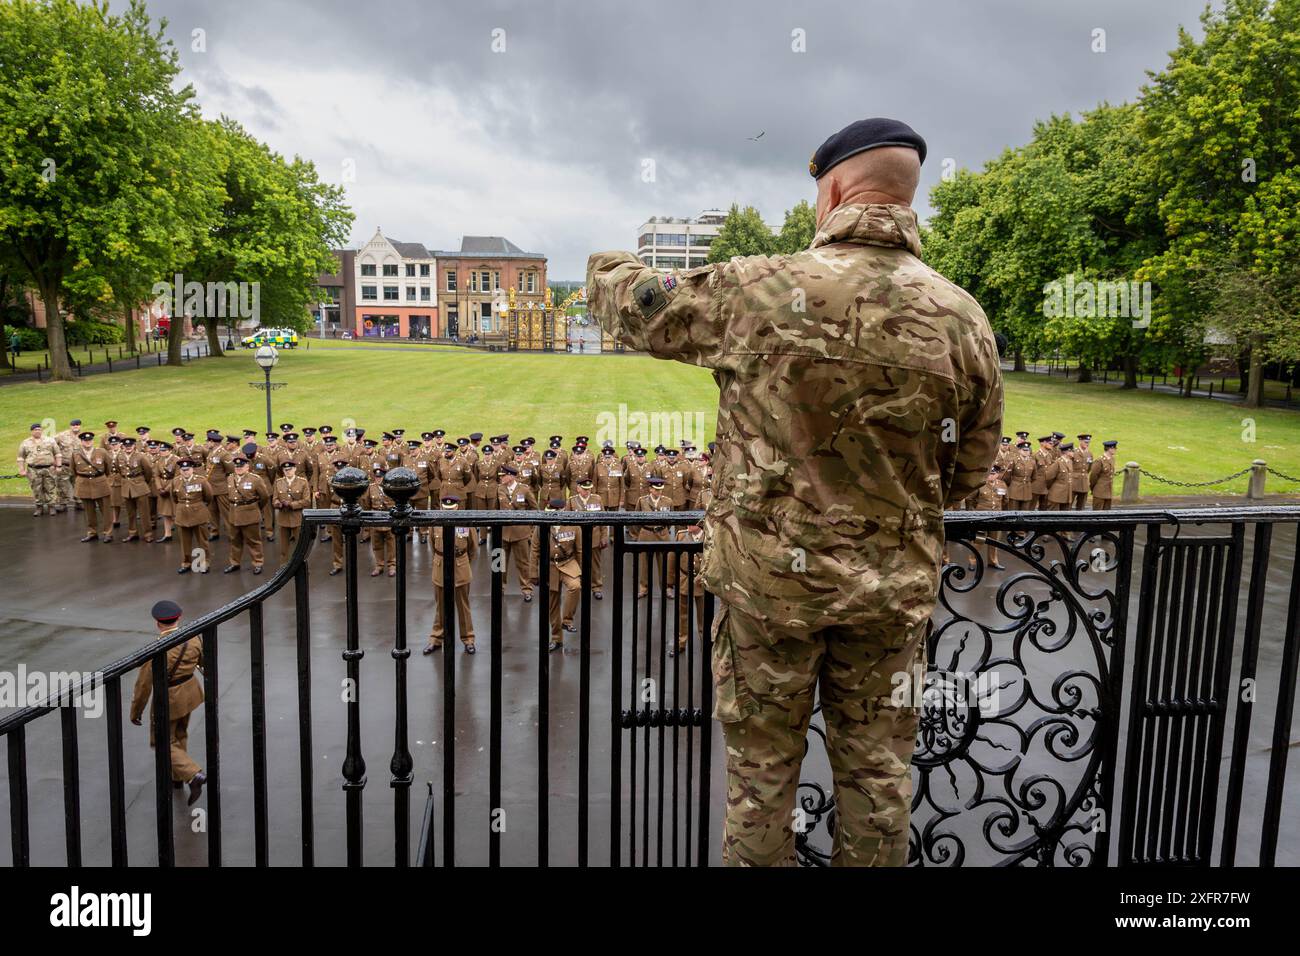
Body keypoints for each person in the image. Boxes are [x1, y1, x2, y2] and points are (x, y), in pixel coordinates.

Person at [587, 117, 1002, 867]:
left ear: (835, 187)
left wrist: (604, 263)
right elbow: (969, 471)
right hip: (890, 593)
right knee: (879, 776)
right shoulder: (964, 319)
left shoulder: (763, 288)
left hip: (770, 593)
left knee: (762, 775)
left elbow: (639, 308)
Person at [129, 600, 206, 806]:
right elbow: (204, 662)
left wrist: (136, 711)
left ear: (157, 623)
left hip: (169, 699)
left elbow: (143, 686)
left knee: (162, 741)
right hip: (191, 692)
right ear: (178, 618)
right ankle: (177, 778)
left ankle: (193, 774)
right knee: (180, 734)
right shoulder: (194, 638)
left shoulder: (157, 649)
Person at [425, 494, 477, 654]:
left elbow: (473, 548)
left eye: (452, 509)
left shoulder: (465, 524)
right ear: (441, 507)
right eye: (445, 509)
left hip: (460, 566)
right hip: (440, 566)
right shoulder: (435, 523)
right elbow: (433, 547)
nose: (449, 512)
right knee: (440, 606)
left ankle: (468, 638)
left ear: (457, 508)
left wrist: (463, 562)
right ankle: (436, 638)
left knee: (463, 606)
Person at [543, 498, 582, 653]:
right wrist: (533, 573)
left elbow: (579, 550)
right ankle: (556, 638)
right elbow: (535, 549)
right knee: (552, 604)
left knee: (575, 586)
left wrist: (582, 570)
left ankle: (567, 620)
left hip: (568, 563)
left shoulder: (573, 525)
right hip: (551, 565)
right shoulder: (543, 525)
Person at [224, 454, 269, 575]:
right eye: (237, 466)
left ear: (247, 466)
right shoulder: (230, 478)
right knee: (234, 540)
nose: (238, 468)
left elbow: (264, 497)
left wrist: (254, 508)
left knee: (253, 541)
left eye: (241, 466)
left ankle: (258, 563)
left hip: (250, 514)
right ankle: (235, 563)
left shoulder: (255, 479)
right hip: (234, 514)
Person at [170, 459, 213, 573]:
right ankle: (186, 563)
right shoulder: (175, 481)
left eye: (187, 470)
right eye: (183, 470)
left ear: (192, 469)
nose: (185, 472)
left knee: (202, 541)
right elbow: (174, 497)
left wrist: (200, 506)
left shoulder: (201, 480)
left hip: (198, 514)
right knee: (185, 542)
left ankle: (204, 563)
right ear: (180, 470)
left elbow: (208, 496)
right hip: (182, 514)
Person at [72, 431, 112, 542]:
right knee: (89, 512)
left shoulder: (102, 452)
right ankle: (92, 532)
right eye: (85, 440)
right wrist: (81, 480)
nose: (88, 442)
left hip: (100, 483)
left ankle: (108, 533)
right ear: (81, 442)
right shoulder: (76, 454)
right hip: (84, 484)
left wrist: (102, 478)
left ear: (92, 441)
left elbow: (108, 468)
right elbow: (73, 470)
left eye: (89, 440)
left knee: (106, 511)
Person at [16, 422, 60, 516]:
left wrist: (59, 466)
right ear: (31, 431)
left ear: (42, 430)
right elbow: (21, 458)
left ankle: (51, 506)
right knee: (36, 489)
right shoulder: (25, 442)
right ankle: (39, 507)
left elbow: (57, 454)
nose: (37, 431)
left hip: (49, 468)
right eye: (35, 430)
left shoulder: (50, 441)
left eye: (39, 429)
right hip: (33, 470)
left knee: (50, 487)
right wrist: (21, 470)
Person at [272, 459, 312, 563]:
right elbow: (275, 498)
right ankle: (283, 567)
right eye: (285, 470)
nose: (287, 471)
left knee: (300, 546)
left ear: (295, 469)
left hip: (297, 518)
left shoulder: (302, 482)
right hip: (283, 518)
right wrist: (277, 504)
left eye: (290, 469)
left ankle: (299, 565)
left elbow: (307, 501)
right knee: (283, 548)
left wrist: (291, 504)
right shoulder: (278, 482)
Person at [1090, 440, 1118, 510]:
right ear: (1109, 449)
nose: (1115, 450)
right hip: (1099, 492)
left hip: (1108, 492)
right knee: (1097, 513)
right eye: (1114, 448)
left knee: (1107, 515)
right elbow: (1093, 476)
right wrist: (1094, 488)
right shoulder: (1099, 461)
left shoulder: (1112, 459)